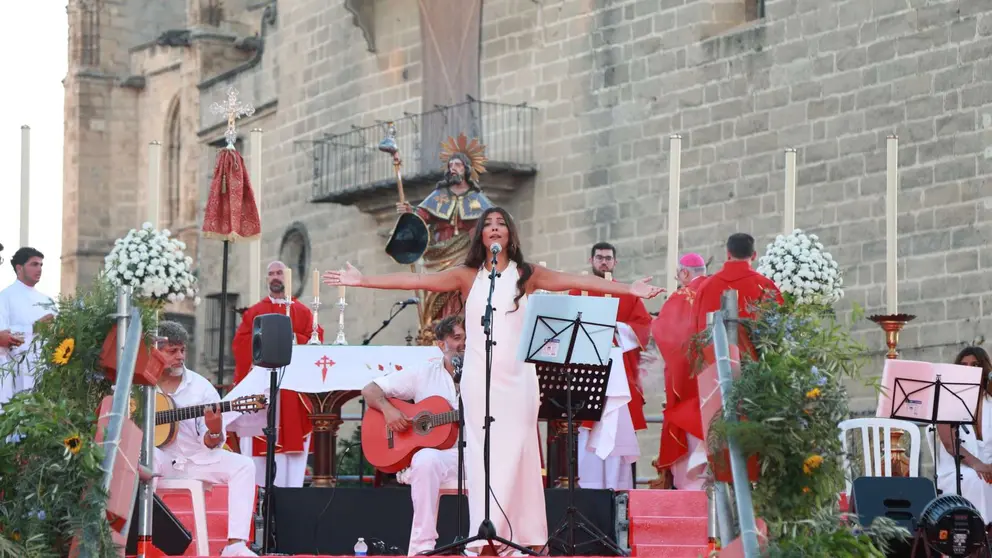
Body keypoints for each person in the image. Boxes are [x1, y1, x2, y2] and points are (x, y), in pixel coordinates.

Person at [324, 206, 664, 554]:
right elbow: (416, 280)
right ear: (481, 236)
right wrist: (362, 281)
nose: (495, 228)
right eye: (488, 224)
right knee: (483, 458)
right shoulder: (467, 276)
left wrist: (629, 289)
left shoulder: (526, 274)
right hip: (477, 379)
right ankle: (487, 535)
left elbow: (574, 280)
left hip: (518, 380)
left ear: (510, 233)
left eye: (501, 223)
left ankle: (517, 537)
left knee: (517, 454)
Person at [361, 315, 466, 555]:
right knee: (424, 459)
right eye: (457, 337)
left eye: (467, 338)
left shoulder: (483, 375)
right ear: (441, 344)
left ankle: (481, 545)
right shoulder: (423, 373)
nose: (463, 343)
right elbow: (370, 390)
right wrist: (389, 411)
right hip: (441, 457)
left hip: (474, 454)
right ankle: (422, 548)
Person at [153, 321, 258, 557]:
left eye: (183, 350)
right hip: (158, 458)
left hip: (196, 460)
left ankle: (235, 545)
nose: (180, 357)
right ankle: (136, 538)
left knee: (244, 465)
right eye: (172, 351)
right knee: (139, 463)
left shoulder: (201, 388)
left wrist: (213, 430)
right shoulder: (141, 385)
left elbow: (211, 442)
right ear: (155, 352)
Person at [395, 134, 494, 344]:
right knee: (434, 290)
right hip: (438, 252)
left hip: (466, 252)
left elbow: (492, 219)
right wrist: (409, 212)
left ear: (467, 168)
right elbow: (421, 217)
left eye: (457, 165)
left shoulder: (477, 198)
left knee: (457, 290)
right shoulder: (439, 194)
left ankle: (461, 328)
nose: (453, 168)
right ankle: (434, 330)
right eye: (451, 165)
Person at [568, 242, 652, 490]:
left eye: (608, 258)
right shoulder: (577, 292)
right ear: (590, 260)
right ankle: (589, 492)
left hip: (619, 376)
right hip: (587, 374)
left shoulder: (627, 293)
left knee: (616, 430)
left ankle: (618, 492)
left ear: (615, 262)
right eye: (599, 257)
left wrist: (614, 328)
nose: (603, 262)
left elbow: (644, 327)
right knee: (587, 433)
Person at [231, 260, 321, 487]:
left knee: (291, 450)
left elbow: (316, 340)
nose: (275, 277)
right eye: (271, 274)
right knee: (257, 450)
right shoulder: (255, 312)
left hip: (292, 391)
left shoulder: (302, 312)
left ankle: (291, 492)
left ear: (288, 278)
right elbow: (240, 344)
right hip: (262, 386)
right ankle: (257, 496)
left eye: (279, 273)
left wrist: (292, 340)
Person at [652, 253, 708, 490]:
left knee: (687, 421)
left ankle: (689, 485)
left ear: (685, 273)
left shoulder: (681, 296)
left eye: (678, 273)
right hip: (714, 375)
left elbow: (663, 332)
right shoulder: (717, 290)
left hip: (686, 377)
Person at [936, 347, 992, 522]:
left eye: (975, 365)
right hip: (958, 469)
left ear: (985, 370)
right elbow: (949, 442)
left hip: (988, 466)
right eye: (964, 365)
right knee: (977, 482)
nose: (969, 369)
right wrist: (977, 464)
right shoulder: (948, 399)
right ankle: (980, 537)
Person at [0, 247, 55, 404]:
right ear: (19, 268)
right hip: (16, 371)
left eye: (41, 265)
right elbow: (3, 336)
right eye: (34, 264)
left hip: (45, 368)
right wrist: (33, 328)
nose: (39, 269)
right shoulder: (5, 297)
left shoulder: (48, 300)